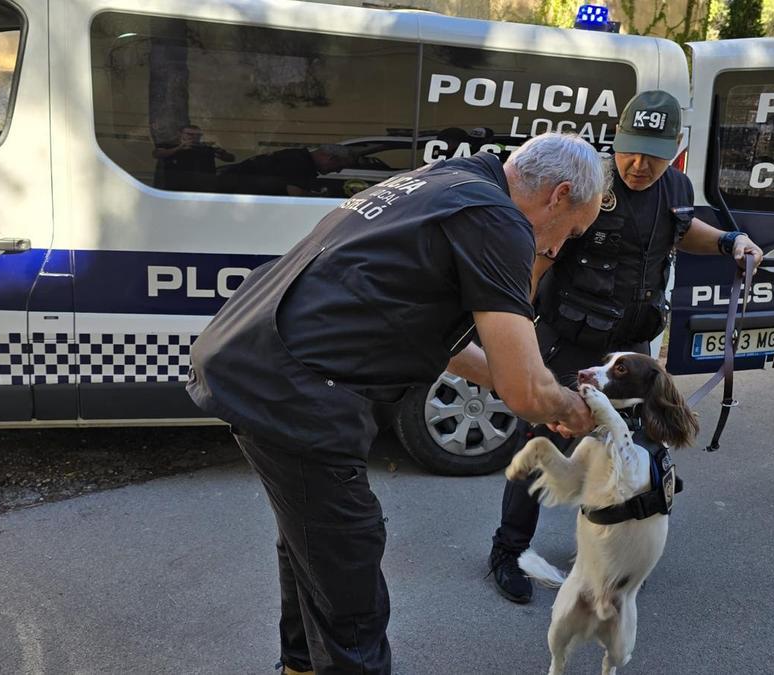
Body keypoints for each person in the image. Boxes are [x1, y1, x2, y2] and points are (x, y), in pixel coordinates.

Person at [188, 133, 608, 674]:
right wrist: (571, 406)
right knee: (350, 579)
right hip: (296, 389)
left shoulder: (443, 183)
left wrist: (526, 387)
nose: (558, 248)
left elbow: (447, 343)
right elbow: (526, 390)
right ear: (559, 195)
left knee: (313, 546)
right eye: (570, 233)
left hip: (254, 362)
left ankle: (299, 665)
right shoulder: (497, 220)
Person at [486, 91, 765, 604]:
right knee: (542, 445)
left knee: (638, 447)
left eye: (653, 155)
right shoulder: (592, 183)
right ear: (616, 140)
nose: (638, 164)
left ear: (675, 147)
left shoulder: (676, 187)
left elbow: (684, 230)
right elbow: (536, 266)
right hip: (569, 342)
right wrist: (519, 337)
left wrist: (730, 242)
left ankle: (616, 546)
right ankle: (508, 550)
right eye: (630, 149)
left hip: (632, 349)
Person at [219, 144, 355, 196]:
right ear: (331, 158)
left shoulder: (299, 157)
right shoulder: (299, 162)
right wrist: (322, 197)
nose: (338, 172)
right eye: (340, 166)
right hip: (233, 195)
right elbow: (295, 194)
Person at [152, 124, 234, 192]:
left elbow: (230, 159)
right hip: (176, 189)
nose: (194, 137)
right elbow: (157, 154)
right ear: (180, 134)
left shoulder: (206, 148)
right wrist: (179, 148)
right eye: (190, 134)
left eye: (198, 135)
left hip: (203, 190)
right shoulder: (171, 146)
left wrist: (221, 152)